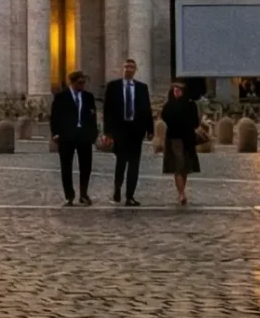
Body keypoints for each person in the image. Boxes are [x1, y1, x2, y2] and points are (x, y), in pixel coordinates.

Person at [105, 57, 153, 206]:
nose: (129, 70)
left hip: (136, 130)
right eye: (126, 67)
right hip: (120, 130)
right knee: (121, 162)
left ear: (135, 70)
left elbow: (147, 109)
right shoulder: (113, 86)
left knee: (134, 164)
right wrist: (108, 132)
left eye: (132, 67)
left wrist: (150, 129)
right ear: (123, 69)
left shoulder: (142, 88)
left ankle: (130, 195)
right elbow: (108, 110)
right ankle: (117, 189)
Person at [50, 71, 99, 206]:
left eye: (84, 83)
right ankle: (69, 195)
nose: (82, 85)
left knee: (86, 167)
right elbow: (54, 116)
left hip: (84, 136)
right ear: (72, 82)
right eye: (79, 83)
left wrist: (93, 134)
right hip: (66, 137)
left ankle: (84, 194)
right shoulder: (61, 97)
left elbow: (93, 116)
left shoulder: (88, 97)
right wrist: (55, 133)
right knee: (66, 167)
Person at [160, 83, 201, 206]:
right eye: (174, 90)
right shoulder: (169, 105)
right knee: (179, 163)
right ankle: (181, 193)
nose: (176, 92)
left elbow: (195, 122)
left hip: (187, 139)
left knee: (185, 167)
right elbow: (165, 118)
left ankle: (181, 190)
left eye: (179, 90)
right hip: (174, 138)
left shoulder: (190, 105)